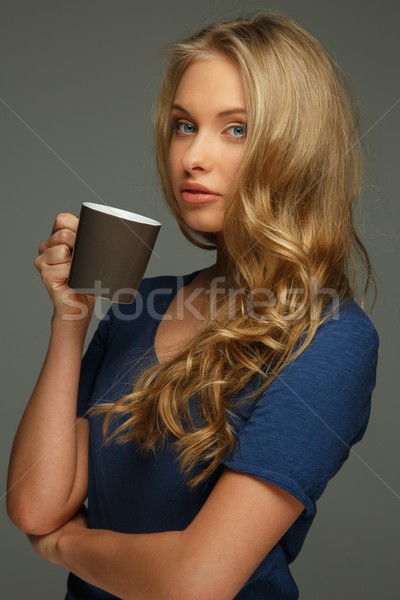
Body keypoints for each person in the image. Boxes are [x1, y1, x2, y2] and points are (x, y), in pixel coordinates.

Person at [7, 10, 379, 600]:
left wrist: (65, 547)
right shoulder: (144, 302)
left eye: (236, 129)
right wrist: (69, 321)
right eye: (185, 126)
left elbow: (196, 582)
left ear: (297, 149)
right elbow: (35, 503)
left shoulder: (332, 338)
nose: (192, 158)